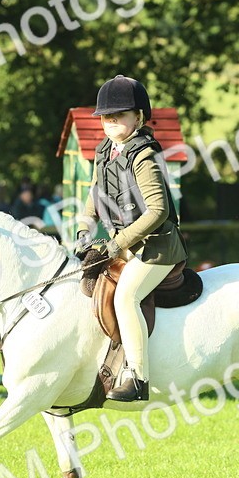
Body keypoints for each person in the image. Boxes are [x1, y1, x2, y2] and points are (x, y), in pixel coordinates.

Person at [74, 75, 188, 402]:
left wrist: (115, 244)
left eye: (119, 115)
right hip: (126, 247)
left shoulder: (144, 155)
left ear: (138, 117)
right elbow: (95, 195)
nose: (111, 121)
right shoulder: (105, 151)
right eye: (106, 116)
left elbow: (158, 211)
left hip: (156, 249)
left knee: (126, 297)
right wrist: (84, 228)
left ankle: (138, 378)